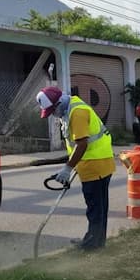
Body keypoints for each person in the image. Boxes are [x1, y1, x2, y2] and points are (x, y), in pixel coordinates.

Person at [36, 86, 115, 251]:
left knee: (95, 208)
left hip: (95, 165)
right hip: (95, 163)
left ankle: (92, 246)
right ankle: (96, 242)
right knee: (99, 207)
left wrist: (67, 168)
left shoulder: (77, 113)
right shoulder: (69, 108)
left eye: (53, 111)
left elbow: (82, 144)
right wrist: (71, 165)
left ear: (58, 103)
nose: (54, 114)